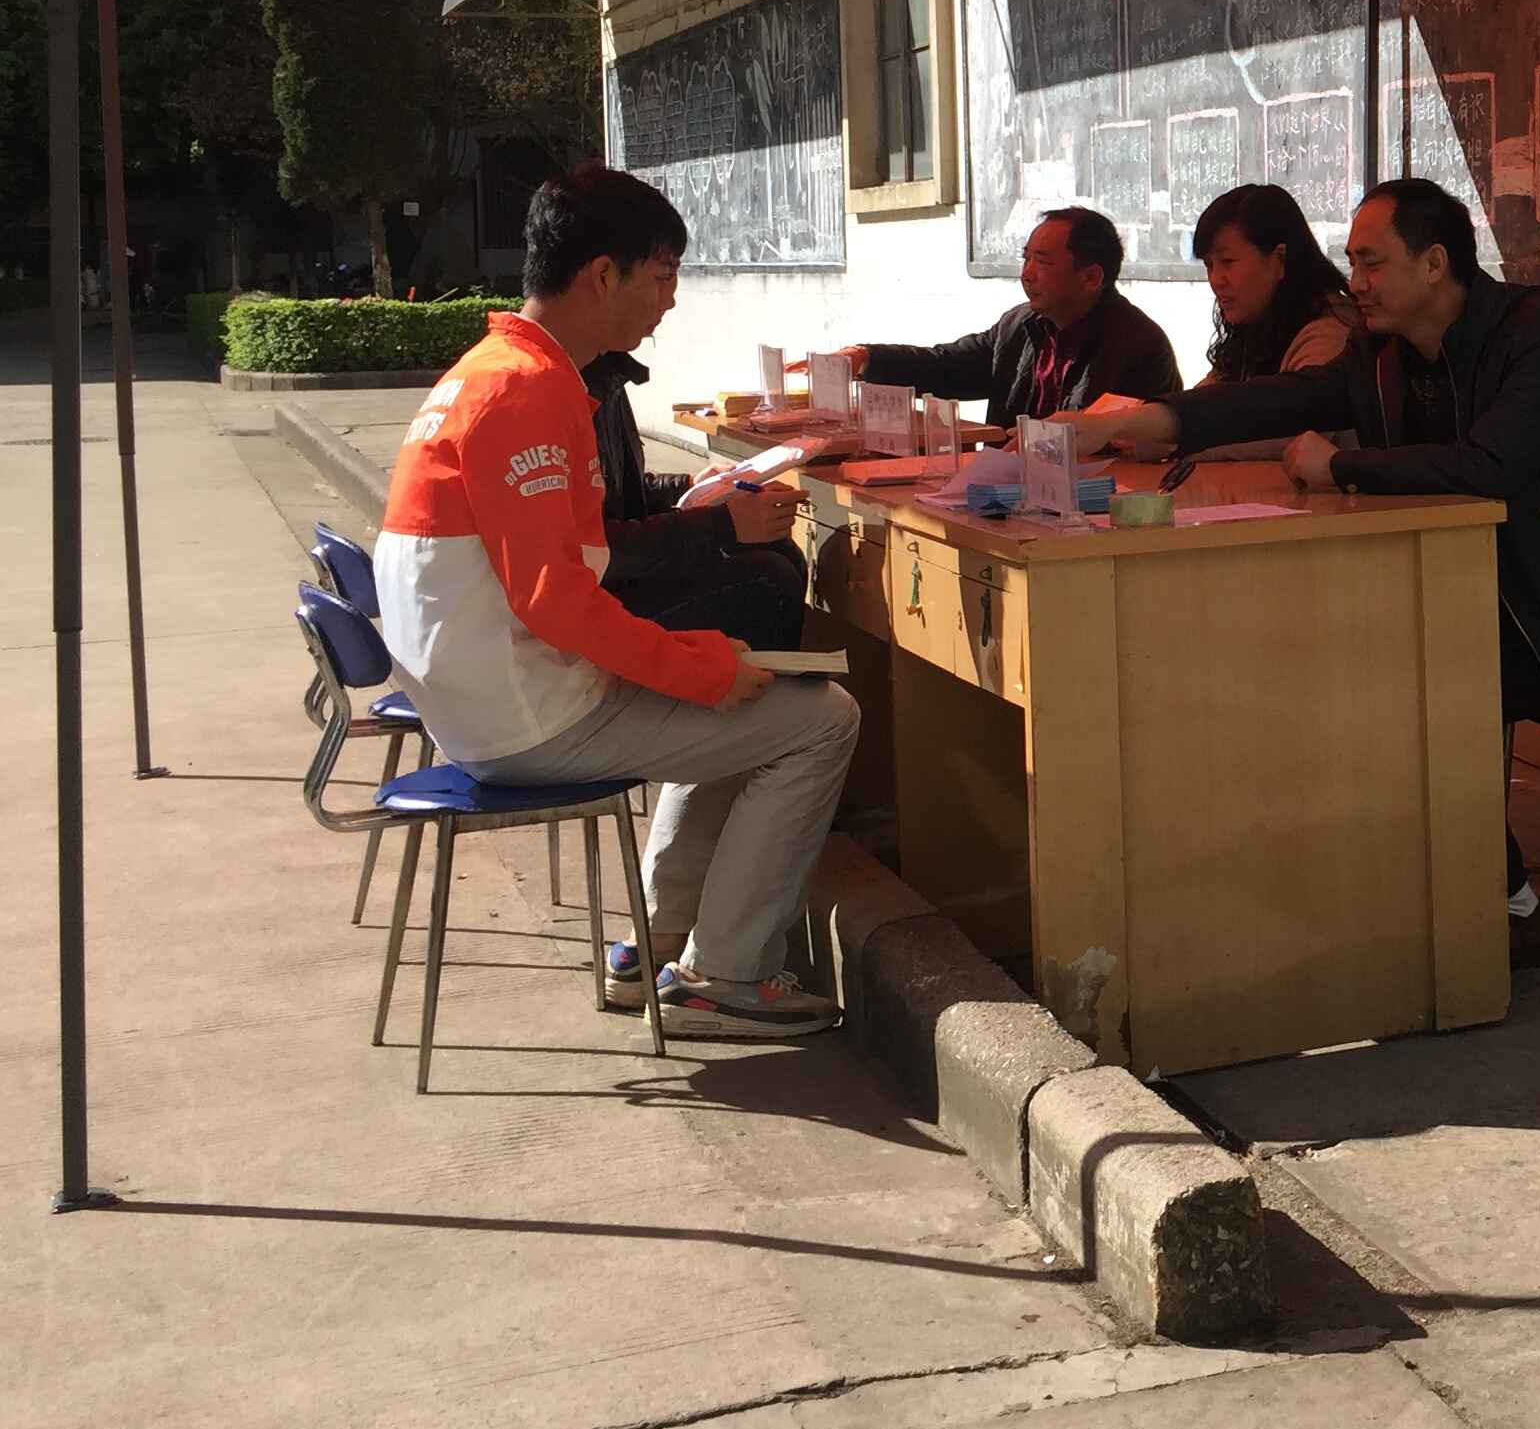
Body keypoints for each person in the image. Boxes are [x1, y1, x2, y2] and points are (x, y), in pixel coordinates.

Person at [1062, 177, 1540, 966]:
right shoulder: (1377, 355)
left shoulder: (1535, 328)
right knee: (1338, 668)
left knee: (1402, 687)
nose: (1356, 281)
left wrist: (1339, 465)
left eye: (1372, 262)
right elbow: (1272, 401)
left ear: (1435, 263)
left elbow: (1490, 464)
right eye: (1351, 261)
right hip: (1459, 597)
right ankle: (1375, 891)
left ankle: (1506, 905)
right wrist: (1135, 422)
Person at [373, 164, 856, 1037]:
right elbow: (556, 600)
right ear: (604, 275)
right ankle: (725, 977)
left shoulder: (495, 372)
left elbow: (560, 570)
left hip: (493, 698)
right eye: (663, 275)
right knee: (823, 720)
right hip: (526, 716)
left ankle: (657, 940)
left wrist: (704, 669)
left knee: (747, 695)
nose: (669, 300)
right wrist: (699, 669)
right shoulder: (525, 390)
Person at [847, 205, 1180, 425]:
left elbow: (1138, 446)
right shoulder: (1019, 325)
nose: (1027, 274)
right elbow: (948, 367)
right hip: (1008, 490)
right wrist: (866, 358)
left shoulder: (1137, 344)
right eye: (1026, 259)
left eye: (1043, 263)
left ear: (1091, 278)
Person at [581, 346, 810, 651]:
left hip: (622, 574)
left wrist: (691, 486)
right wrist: (722, 524)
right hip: (597, 606)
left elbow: (619, 491)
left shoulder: (604, 372)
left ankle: (764, 674)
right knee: (768, 577)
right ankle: (748, 677)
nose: (661, 317)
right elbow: (590, 550)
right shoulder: (552, 390)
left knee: (778, 550)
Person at [1192, 183, 1361, 383]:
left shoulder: (1329, 339)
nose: (1216, 280)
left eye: (1228, 261)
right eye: (1209, 265)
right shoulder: (1254, 325)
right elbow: (1205, 396)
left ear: (1279, 259)